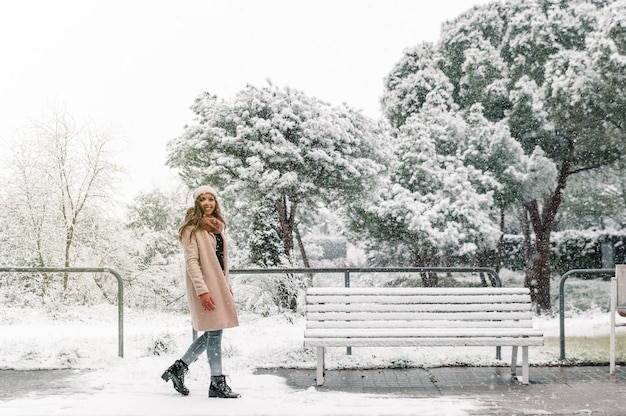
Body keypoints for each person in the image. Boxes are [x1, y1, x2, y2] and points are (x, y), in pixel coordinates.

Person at [161, 185, 240, 398]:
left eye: (211, 199)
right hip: (205, 287)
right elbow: (192, 263)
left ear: (216, 202)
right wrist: (202, 291)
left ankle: (180, 368)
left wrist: (227, 287)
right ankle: (216, 383)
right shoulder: (192, 229)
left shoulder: (218, 228)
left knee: (215, 332)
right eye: (203, 199)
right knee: (215, 333)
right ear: (197, 203)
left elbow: (223, 262)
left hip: (219, 286)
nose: (207, 203)